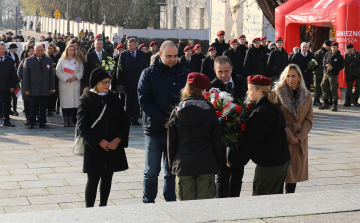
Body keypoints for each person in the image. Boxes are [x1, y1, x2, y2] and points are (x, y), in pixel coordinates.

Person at [138, 40, 189, 203]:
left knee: (172, 171)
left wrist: (176, 121)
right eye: (169, 56)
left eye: (175, 56)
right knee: (151, 171)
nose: (173, 59)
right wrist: (163, 120)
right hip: (154, 130)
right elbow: (144, 100)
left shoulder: (184, 74)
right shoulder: (148, 73)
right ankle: (148, 202)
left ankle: (171, 202)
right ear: (160, 54)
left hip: (175, 131)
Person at [77, 67, 130, 208]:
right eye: (104, 82)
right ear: (96, 83)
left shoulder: (114, 98)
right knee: (93, 179)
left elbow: (124, 122)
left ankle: (103, 207)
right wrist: (99, 141)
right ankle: (89, 210)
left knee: (107, 178)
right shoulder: (85, 100)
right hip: (94, 148)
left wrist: (117, 140)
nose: (107, 85)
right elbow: (82, 127)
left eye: (109, 82)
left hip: (112, 147)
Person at [167, 72, 222, 201]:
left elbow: (171, 142)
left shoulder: (177, 111)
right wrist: (218, 163)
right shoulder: (209, 110)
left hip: (184, 164)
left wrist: (172, 165)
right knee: (205, 207)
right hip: (206, 163)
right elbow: (216, 140)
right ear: (203, 90)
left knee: (187, 209)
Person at [243, 75, 290, 195]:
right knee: (274, 198)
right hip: (282, 160)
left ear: (259, 91)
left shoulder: (261, 112)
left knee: (260, 198)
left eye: (250, 89)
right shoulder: (272, 105)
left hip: (269, 163)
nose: (247, 92)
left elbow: (251, 139)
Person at [209, 56, 248, 198]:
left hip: (239, 136)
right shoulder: (212, 87)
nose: (223, 75)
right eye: (220, 72)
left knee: (238, 174)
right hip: (223, 139)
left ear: (232, 68)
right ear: (214, 70)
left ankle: (234, 202)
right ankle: (221, 203)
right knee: (223, 176)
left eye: (226, 71)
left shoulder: (240, 81)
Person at [275, 64, 313, 193]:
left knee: (294, 175)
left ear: (299, 78)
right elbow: (276, 118)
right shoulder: (277, 93)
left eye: (293, 76)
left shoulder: (307, 94)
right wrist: (289, 135)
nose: (290, 79)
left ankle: (290, 201)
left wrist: (300, 136)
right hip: (283, 137)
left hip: (299, 139)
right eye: (288, 76)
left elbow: (309, 118)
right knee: (281, 174)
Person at [23, 44, 55, 130]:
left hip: (45, 88)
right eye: (38, 50)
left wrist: (52, 87)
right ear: (34, 51)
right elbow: (25, 76)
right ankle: (31, 123)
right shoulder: (28, 60)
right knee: (33, 106)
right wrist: (26, 89)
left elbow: (51, 75)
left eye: (41, 50)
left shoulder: (48, 60)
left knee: (44, 107)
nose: (40, 52)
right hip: (33, 88)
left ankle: (42, 123)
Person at [117, 39, 147, 125]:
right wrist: (120, 81)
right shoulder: (123, 55)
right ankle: (128, 118)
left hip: (139, 81)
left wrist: (145, 80)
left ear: (135, 46)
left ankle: (135, 118)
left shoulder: (142, 54)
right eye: (128, 45)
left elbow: (145, 67)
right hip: (127, 81)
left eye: (131, 45)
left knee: (137, 100)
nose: (129, 47)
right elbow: (120, 68)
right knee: (128, 100)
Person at [56, 44, 84, 127]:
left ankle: (71, 120)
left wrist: (76, 77)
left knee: (73, 103)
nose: (71, 52)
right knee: (66, 102)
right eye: (70, 50)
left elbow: (81, 71)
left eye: (73, 50)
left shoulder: (78, 60)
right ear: (66, 51)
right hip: (65, 84)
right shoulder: (62, 60)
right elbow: (58, 72)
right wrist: (66, 78)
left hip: (75, 83)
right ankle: (65, 120)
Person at [318, 42, 344, 111]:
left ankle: (335, 105)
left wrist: (333, 68)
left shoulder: (339, 56)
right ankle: (325, 103)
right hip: (326, 73)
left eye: (335, 47)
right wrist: (326, 65)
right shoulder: (327, 53)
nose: (333, 49)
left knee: (333, 89)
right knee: (324, 87)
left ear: (337, 48)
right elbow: (323, 62)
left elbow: (341, 66)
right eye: (332, 47)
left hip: (333, 74)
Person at [0, 43, 16, 127]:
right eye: (0, 49)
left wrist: (13, 86)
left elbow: (13, 74)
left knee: (7, 103)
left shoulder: (9, 59)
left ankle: (6, 120)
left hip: (7, 86)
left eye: (3, 49)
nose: (1, 51)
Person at [18, 46, 35, 125]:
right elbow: (19, 72)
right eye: (29, 51)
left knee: (35, 103)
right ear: (26, 53)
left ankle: (34, 118)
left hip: (36, 86)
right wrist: (26, 78)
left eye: (32, 50)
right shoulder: (24, 61)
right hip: (26, 85)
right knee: (27, 103)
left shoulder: (37, 60)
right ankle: (28, 118)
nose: (31, 52)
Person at [313, 40, 331, 106]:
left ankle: (324, 99)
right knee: (317, 87)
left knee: (324, 87)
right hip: (318, 72)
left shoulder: (329, 52)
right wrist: (323, 66)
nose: (330, 48)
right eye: (329, 46)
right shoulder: (319, 52)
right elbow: (314, 63)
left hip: (325, 72)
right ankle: (316, 100)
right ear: (326, 45)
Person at [46, 43, 62, 115]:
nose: (50, 50)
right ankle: (50, 107)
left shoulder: (58, 55)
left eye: (51, 48)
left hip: (56, 76)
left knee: (56, 92)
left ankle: (56, 107)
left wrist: (53, 64)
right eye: (49, 48)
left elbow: (59, 64)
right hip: (49, 75)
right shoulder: (47, 55)